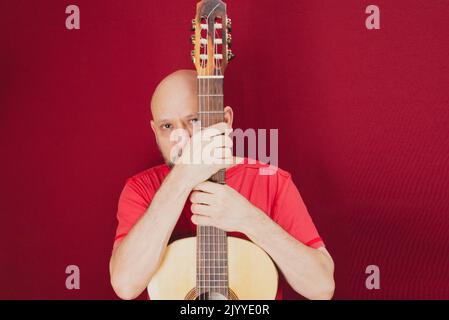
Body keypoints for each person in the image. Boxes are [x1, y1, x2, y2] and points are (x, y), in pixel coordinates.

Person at [109, 70, 335, 300]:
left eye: (194, 120)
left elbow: (321, 287)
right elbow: (126, 285)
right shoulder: (140, 189)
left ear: (225, 121)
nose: (182, 137)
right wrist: (182, 177)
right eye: (167, 126)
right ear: (154, 131)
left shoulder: (271, 181)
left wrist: (249, 219)